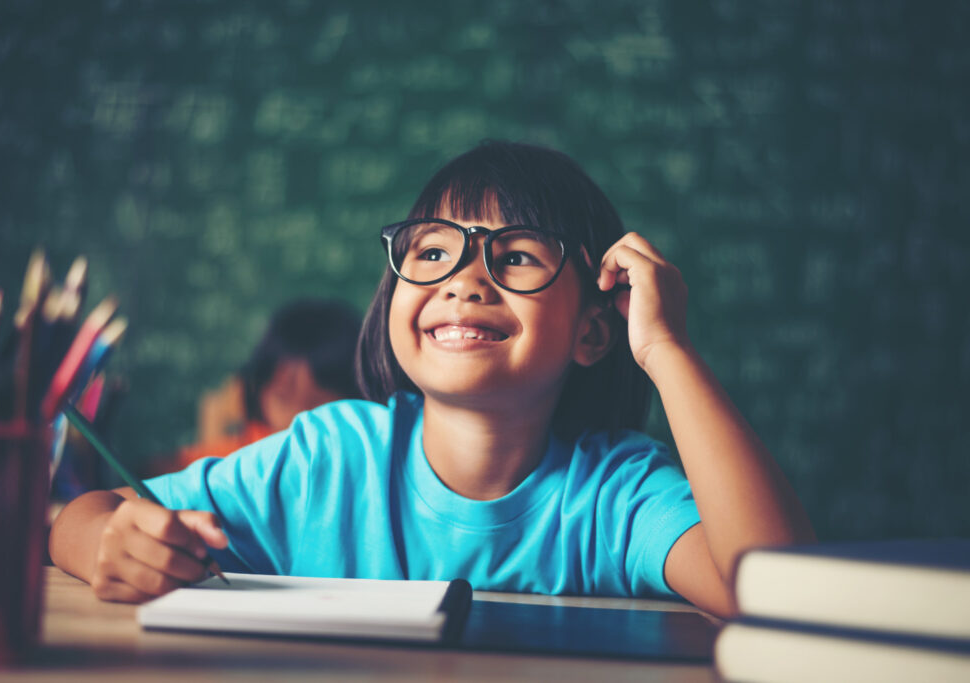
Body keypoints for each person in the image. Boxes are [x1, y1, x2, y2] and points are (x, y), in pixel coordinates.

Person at [49, 141, 815, 617]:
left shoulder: (613, 494)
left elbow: (776, 591)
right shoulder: (326, 460)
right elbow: (80, 515)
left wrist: (667, 349)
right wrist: (101, 544)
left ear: (592, 329)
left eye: (515, 254)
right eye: (432, 249)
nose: (464, 278)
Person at [166, 298, 362, 472]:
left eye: (309, 366)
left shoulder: (356, 461)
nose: (283, 379)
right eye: (275, 363)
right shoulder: (235, 452)